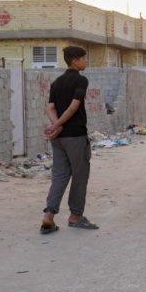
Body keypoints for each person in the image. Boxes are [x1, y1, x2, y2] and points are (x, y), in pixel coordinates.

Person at [40, 46, 99, 234]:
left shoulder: (56, 82)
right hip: (75, 136)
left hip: (58, 139)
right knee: (80, 175)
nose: (85, 62)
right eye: (83, 59)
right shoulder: (81, 80)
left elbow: (50, 107)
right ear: (74, 61)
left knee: (59, 175)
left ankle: (49, 216)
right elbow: (74, 107)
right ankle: (75, 216)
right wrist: (59, 125)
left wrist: (55, 125)